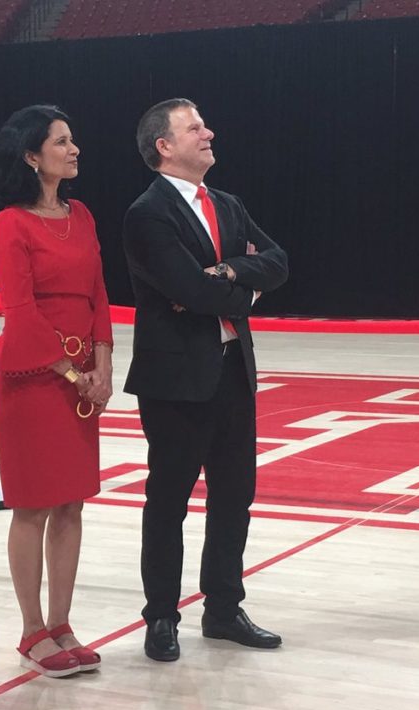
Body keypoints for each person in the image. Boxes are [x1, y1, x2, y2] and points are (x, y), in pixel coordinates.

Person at [123, 98, 289, 662]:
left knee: (234, 496)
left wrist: (230, 271)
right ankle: (161, 617)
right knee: (168, 500)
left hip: (231, 373)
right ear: (164, 146)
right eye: (194, 128)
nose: (208, 132)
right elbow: (190, 293)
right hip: (175, 380)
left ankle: (222, 608)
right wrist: (237, 287)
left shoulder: (228, 204)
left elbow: (278, 260)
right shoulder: (147, 214)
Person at [0, 105, 114, 678]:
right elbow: (21, 309)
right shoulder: (10, 223)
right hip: (33, 380)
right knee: (34, 504)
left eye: (73, 138)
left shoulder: (80, 214)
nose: (74, 148)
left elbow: (100, 294)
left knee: (72, 501)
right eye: (62, 141)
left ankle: (62, 624)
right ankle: (33, 629)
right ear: (32, 156)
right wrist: (69, 371)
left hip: (81, 375)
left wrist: (103, 365)